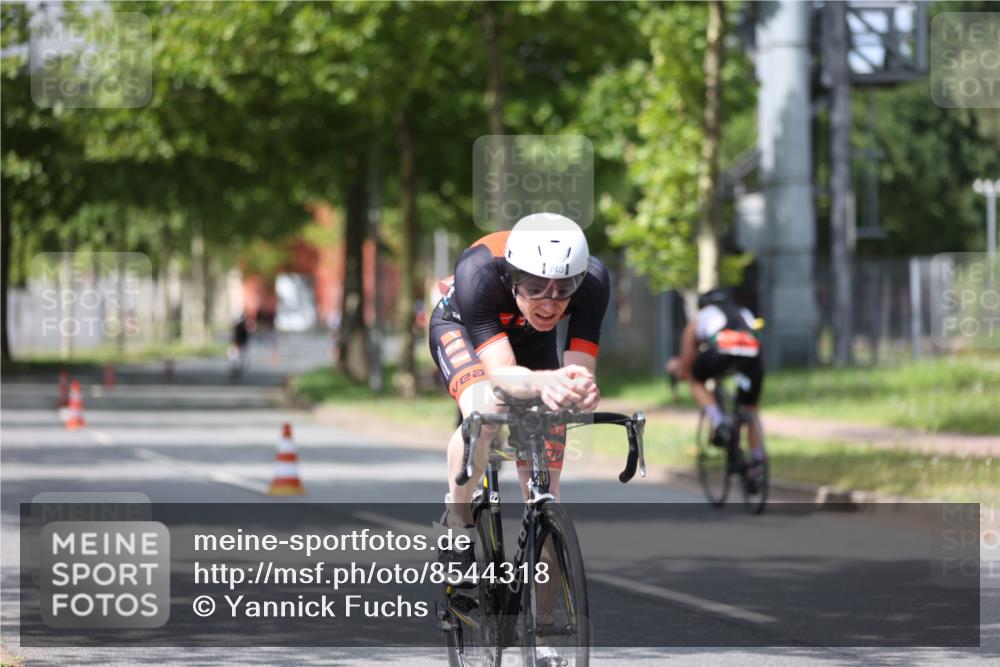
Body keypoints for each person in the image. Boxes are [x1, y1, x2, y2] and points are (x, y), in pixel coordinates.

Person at [428, 213, 610, 567]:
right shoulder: (479, 272)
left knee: (547, 498)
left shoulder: (594, 281)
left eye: (563, 290)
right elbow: (502, 375)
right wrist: (544, 382)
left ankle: (542, 622)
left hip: (532, 340)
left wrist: (582, 390)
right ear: (512, 277)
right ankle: (457, 524)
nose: (549, 302)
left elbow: (579, 373)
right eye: (534, 288)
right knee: (486, 411)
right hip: (462, 329)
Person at [666, 288, 765, 485]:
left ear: (702, 306)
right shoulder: (744, 311)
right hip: (752, 352)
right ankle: (758, 463)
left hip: (722, 350)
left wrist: (677, 370)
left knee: (696, 377)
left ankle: (719, 422)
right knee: (750, 408)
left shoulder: (699, 319)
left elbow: (687, 363)